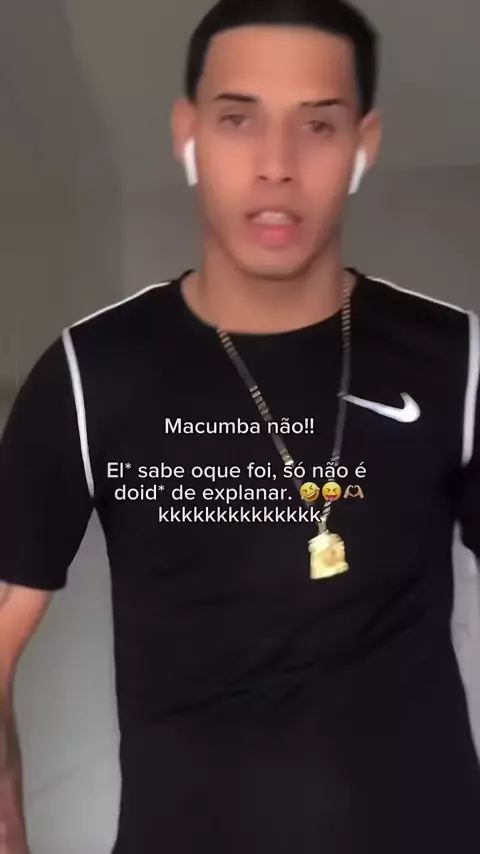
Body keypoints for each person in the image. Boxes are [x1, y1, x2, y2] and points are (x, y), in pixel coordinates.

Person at [1, 1, 479, 851]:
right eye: (238, 119)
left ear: (363, 143)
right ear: (188, 133)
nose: (276, 166)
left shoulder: (459, 360)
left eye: (318, 125)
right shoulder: (88, 373)